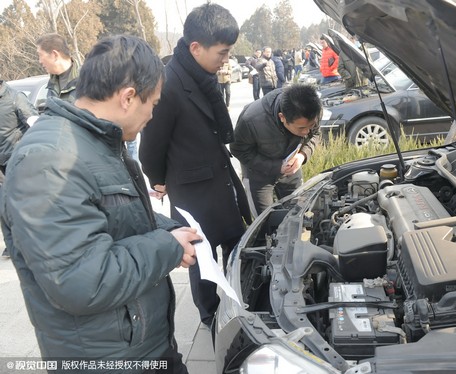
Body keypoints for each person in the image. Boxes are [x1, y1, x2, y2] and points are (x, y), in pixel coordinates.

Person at [0, 35, 201, 373]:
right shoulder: (48, 161)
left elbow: (113, 217)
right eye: (153, 103)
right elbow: (81, 281)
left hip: (140, 343)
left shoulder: (95, 139)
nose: (153, 115)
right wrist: (166, 246)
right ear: (128, 97)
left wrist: (171, 230)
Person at [139, 3, 252, 329]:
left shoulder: (201, 74)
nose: (226, 59)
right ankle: (210, 316)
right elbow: (151, 147)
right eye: (223, 52)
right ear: (195, 48)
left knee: (235, 242)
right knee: (202, 257)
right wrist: (159, 181)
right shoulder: (170, 84)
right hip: (192, 191)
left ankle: (239, 298)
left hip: (217, 180)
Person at [230, 84, 322, 215]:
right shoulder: (251, 120)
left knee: (297, 213)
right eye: (301, 128)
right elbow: (238, 150)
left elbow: (316, 134)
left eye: (310, 125)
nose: (307, 132)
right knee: (265, 221)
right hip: (259, 174)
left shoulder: (313, 108)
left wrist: (302, 155)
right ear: (282, 117)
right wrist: (277, 166)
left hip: (291, 170)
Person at [0, 79, 38, 258]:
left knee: (21, 202)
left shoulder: (15, 98)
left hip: (15, 160)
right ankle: (12, 242)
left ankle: (29, 241)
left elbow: (34, 122)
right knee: (4, 204)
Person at [36, 33, 80, 103]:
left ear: (54, 55)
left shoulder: (86, 80)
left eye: (40, 55)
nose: (40, 61)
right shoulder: (52, 83)